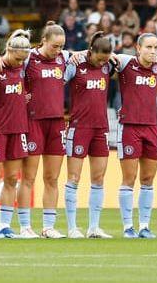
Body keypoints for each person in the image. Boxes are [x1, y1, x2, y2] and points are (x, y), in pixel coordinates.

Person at [112, 32, 157, 239]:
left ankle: (144, 226)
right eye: (148, 47)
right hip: (129, 127)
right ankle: (127, 227)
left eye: (156, 48)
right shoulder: (125, 63)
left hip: (151, 127)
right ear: (138, 48)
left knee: (148, 179)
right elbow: (107, 55)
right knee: (129, 178)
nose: (152, 52)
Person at [24, 22, 73, 238]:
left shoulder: (64, 58)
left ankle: (48, 226)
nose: (58, 50)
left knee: (52, 178)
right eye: (55, 46)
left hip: (56, 123)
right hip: (33, 121)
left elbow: (84, 53)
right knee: (28, 177)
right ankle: (25, 226)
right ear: (43, 41)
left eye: (61, 46)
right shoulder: (28, 58)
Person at [62, 32, 113, 239]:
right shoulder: (76, 65)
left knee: (98, 178)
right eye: (99, 58)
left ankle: (94, 227)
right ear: (91, 52)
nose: (102, 63)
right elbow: (57, 84)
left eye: (106, 59)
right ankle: (72, 227)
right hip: (79, 127)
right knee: (73, 178)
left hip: (101, 128)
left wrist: (111, 58)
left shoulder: (109, 65)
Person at [0, 30, 33, 238]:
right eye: (17, 58)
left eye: (23, 58)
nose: (19, 62)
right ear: (8, 50)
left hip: (18, 128)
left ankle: (5, 224)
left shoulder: (23, 67)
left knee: (12, 178)